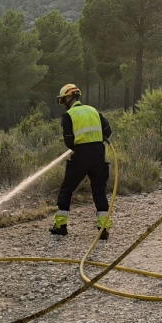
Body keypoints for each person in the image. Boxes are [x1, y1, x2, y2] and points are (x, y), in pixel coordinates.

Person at [51, 84, 113, 239]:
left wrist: (79, 147)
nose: (63, 103)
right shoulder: (93, 110)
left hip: (81, 155)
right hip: (99, 154)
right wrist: (95, 140)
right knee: (99, 190)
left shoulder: (69, 115)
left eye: (63, 100)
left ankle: (61, 226)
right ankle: (103, 228)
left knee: (67, 189)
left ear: (69, 97)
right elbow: (108, 131)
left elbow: (69, 140)